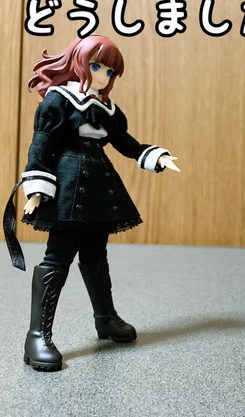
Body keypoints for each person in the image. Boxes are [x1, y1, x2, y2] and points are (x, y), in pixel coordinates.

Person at [4, 34, 180, 371]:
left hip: (99, 191)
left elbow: (124, 142)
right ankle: (37, 335)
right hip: (68, 190)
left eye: (109, 72)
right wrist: (36, 189)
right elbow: (41, 145)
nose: (103, 76)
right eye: (97, 67)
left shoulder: (105, 107)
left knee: (96, 255)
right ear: (79, 63)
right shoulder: (59, 100)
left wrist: (153, 156)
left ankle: (105, 318)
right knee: (58, 257)